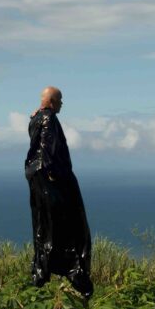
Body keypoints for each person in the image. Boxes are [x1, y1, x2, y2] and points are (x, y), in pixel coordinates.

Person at [24, 86, 93, 298]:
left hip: (36, 178)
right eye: (60, 100)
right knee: (72, 228)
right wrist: (56, 179)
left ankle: (41, 274)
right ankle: (76, 276)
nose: (62, 103)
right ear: (52, 102)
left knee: (43, 227)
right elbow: (47, 149)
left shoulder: (36, 118)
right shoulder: (49, 120)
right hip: (50, 180)